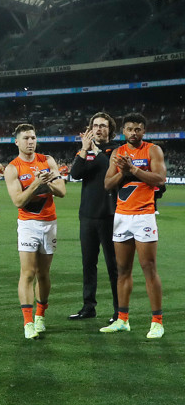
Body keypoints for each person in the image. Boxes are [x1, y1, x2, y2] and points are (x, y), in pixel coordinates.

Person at [101, 113, 166, 338]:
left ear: (144, 131)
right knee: (123, 270)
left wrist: (135, 170)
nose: (133, 133)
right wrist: (123, 172)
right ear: (123, 131)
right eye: (129, 129)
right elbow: (108, 184)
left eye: (138, 129)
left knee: (149, 267)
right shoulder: (118, 153)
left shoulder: (152, 150)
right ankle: (122, 320)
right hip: (121, 216)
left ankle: (157, 321)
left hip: (144, 216)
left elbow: (160, 178)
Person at [5, 123, 66, 339]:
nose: (31, 142)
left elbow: (62, 191)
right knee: (28, 272)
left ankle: (41, 315)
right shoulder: (12, 168)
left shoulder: (47, 160)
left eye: (33, 138)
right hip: (28, 224)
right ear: (17, 142)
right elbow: (18, 201)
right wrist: (35, 183)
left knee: (44, 273)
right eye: (26, 138)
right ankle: (28, 322)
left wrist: (48, 183)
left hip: (49, 223)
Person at [68, 113, 119, 322]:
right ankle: (89, 306)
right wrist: (83, 149)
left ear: (110, 130)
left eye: (103, 126)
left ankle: (119, 311)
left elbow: (108, 167)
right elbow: (75, 174)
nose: (99, 129)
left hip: (109, 215)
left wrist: (95, 151)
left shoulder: (115, 150)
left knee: (113, 266)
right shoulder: (85, 152)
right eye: (95, 125)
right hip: (87, 215)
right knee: (88, 264)